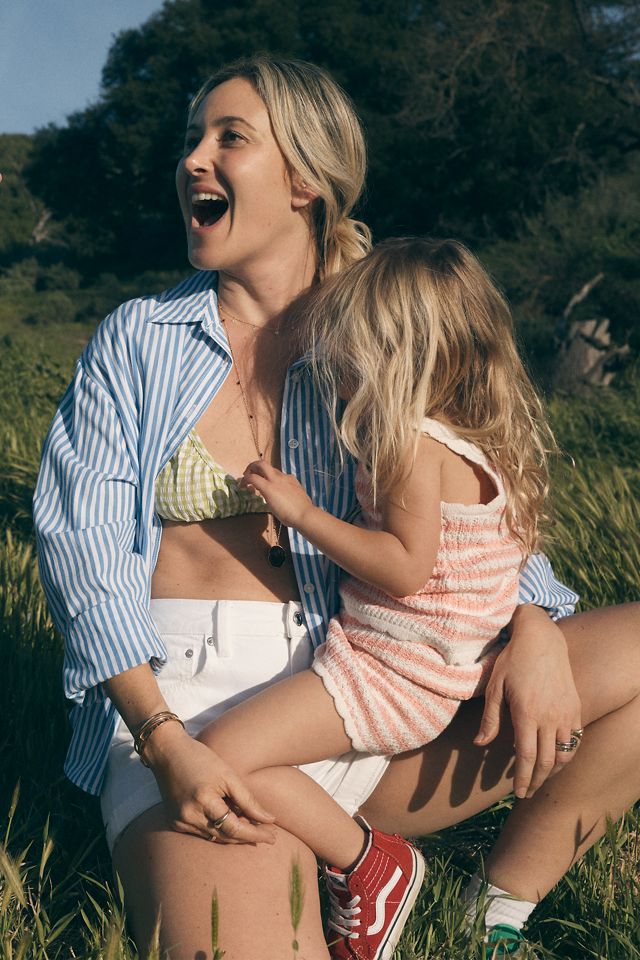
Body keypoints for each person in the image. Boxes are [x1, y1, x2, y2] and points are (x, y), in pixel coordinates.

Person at [32, 56, 640, 960]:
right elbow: (77, 551)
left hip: (379, 691)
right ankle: (357, 866)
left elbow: (471, 499)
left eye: (229, 138)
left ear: (306, 182)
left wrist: (536, 626)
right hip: (196, 722)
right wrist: (161, 739)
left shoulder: (381, 329)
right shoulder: (137, 342)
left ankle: (494, 910)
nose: (193, 160)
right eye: (191, 139)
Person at [192, 235, 557, 959]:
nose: (332, 363)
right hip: (427, 669)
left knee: (222, 755)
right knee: (242, 753)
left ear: (398, 358)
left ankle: (369, 865)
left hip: (390, 674)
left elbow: (404, 569)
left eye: (349, 348)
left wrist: (302, 515)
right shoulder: (469, 444)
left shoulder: (409, 446)